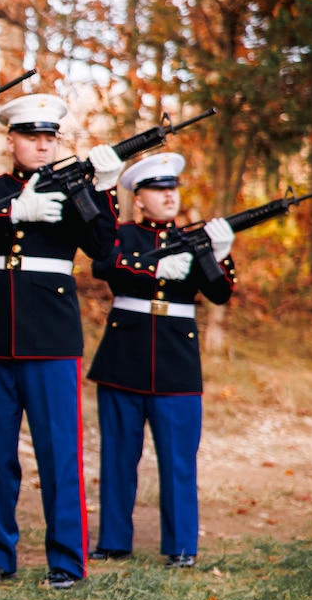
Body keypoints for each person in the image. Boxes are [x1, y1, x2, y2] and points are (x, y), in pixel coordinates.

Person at [0, 94, 122, 590]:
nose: (43, 145)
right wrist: (13, 210)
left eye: (50, 137)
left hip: (51, 338)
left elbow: (106, 251)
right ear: (12, 140)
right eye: (32, 136)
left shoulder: (76, 190)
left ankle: (66, 560)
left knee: (58, 453)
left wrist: (107, 190)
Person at [87, 152, 235, 567]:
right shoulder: (122, 234)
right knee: (117, 456)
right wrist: (153, 271)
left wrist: (218, 255)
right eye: (158, 189)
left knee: (178, 459)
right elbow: (104, 263)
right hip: (124, 356)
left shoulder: (197, 240)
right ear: (139, 198)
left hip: (176, 361)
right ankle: (114, 540)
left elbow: (221, 293)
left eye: (173, 188)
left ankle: (182, 546)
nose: (169, 196)